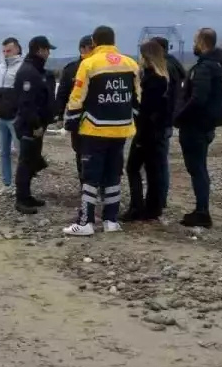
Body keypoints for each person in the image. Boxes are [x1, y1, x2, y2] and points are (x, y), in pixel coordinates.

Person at [61, 25, 140, 235]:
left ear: (94, 42)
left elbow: (77, 97)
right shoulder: (131, 64)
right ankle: (111, 221)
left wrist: (70, 122)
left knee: (91, 176)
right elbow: (137, 98)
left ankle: (86, 222)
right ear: (113, 41)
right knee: (113, 175)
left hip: (95, 129)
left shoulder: (89, 64)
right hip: (122, 129)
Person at [174, 27, 222, 228]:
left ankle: (202, 211)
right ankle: (201, 209)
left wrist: (179, 116)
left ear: (202, 42)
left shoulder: (205, 68)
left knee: (197, 168)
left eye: (195, 41)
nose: (193, 45)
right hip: (205, 125)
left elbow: (198, 98)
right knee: (199, 168)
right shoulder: (218, 66)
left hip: (195, 126)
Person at [123, 38, 172, 222]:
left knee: (132, 168)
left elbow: (147, 112)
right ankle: (153, 207)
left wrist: (141, 135)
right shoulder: (163, 78)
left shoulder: (151, 81)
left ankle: (137, 207)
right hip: (157, 132)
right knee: (154, 170)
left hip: (147, 132)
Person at [12, 35, 56, 214]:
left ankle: (27, 195)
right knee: (26, 162)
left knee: (32, 161)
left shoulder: (36, 70)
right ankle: (21, 199)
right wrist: (36, 125)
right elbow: (27, 104)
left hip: (37, 125)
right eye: (47, 50)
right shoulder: (29, 72)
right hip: (30, 126)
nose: (48, 54)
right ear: (40, 50)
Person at [55, 34, 94, 184]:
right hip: (79, 119)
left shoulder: (101, 67)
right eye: (91, 48)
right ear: (82, 48)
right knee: (80, 153)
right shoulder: (72, 69)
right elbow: (62, 94)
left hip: (99, 118)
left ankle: (100, 186)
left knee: (99, 152)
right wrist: (58, 115)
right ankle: (84, 184)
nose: (94, 50)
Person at [0, 37, 22, 194]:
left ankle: (22, 187)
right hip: (1, 117)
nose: (6, 54)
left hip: (16, 118)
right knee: (3, 152)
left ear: (17, 49)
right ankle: (7, 184)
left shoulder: (23, 68)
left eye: (9, 50)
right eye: (4, 51)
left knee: (21, 153)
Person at [161, 40, 187, 209]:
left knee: (159, 162)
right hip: (169, 119)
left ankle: (159, 199)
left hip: (162, 120)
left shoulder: (165, 68)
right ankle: (161, 197)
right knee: (162, 160)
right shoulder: (175, 66)